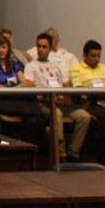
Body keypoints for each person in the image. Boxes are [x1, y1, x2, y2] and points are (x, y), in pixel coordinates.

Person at [24, 31, 90, 160]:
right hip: (44, 102)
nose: (40, 49)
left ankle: (74, 153)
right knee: (57, 113)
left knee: (84, 116)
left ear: (50, 48)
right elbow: (30, 88)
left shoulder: (55, 66)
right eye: (39, 46)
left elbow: (63, 84)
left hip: (60, 101)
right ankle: (60, 154)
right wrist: (47, 96)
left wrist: (66, 96)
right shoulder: (30, 66)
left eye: (44, 47)